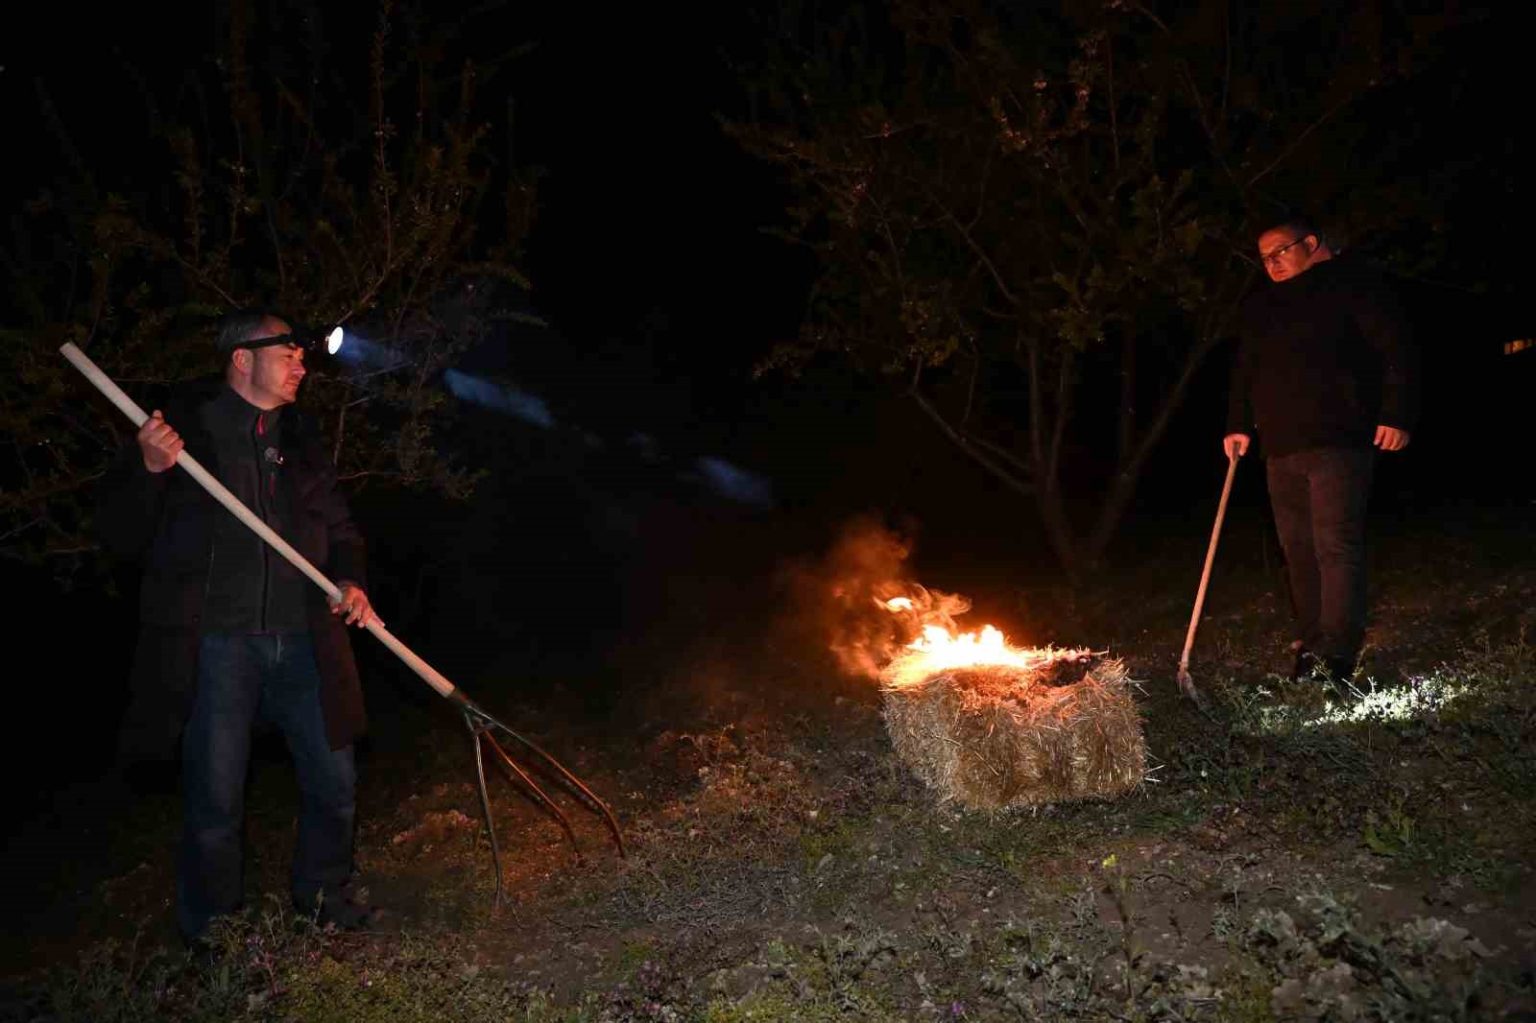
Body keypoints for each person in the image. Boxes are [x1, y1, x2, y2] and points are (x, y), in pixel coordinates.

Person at [99, 310, 380, 942]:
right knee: (215, 799)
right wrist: (148, 470)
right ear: (243, 359)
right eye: (288, 354)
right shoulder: (180, 432)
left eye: (302, 356)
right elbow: (120, 535)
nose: (302, 365)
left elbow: (341, 529)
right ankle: (216, 934)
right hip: (216, 645)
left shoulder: (303, 440)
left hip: (306, 638)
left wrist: (351, 580)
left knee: (334, 781)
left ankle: (325, 896)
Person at [1224, 218, 1420, 684]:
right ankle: (1312, 643)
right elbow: (1245, 368)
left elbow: (1397, 350)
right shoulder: (1265, 306)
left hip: (1340, 437)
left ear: (1311, 243)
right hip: (1281, 445)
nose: (1272, 264)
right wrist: (1237, 424)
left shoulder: (1353, 285)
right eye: (1264, 258)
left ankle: (1338, 649)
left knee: (1334, 542)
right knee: (1297, 548)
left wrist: (1397, 414)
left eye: (1280, 251)